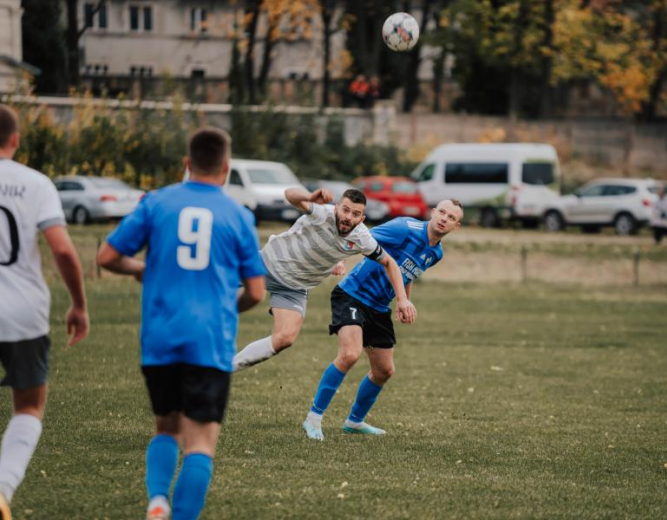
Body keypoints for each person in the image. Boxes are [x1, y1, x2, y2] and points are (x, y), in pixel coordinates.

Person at [97, 127, 266, 520]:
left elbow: (106, 256)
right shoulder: (239, 216)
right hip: (209, 339)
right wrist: (227, 306)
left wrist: (142, 269)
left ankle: (157, 500)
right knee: (201, 444)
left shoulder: (156, 202)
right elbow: (256, 292)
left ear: (187, 165)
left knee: (166, 428)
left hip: (161, 337)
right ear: (225, 168)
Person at [302, 199, 463, 441]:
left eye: (451, 217)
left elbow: (408, 273)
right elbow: (360, 235)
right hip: (352, 294)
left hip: (379, 307)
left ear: (456, 226)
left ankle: (354, 422)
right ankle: (313, 419)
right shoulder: (405, 228)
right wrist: (340, 259)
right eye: (441, 212)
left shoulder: (436, 253)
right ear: (432, 212)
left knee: (384, 370)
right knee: (349, 354)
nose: (444, 219)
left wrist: (403, 301)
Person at [0, 104, 90, 519]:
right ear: (15, 140)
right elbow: (62, 250)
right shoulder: (34, 183)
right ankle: (1, 490)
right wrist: (78, 303)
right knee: (29, 407)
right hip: (22, 313)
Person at [232, 188, 416, 372]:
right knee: (209, 292)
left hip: (293, 287)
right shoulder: (321, 213)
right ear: (336, 208)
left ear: (362, 219)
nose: (348, 217)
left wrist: (402, 299)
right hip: (265, 264)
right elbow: (290, 195)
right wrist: (309, 197)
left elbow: (389, 263)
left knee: (285, 337)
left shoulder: (362, 238)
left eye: (355, 214)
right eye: (345, 210)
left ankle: (226, 368)